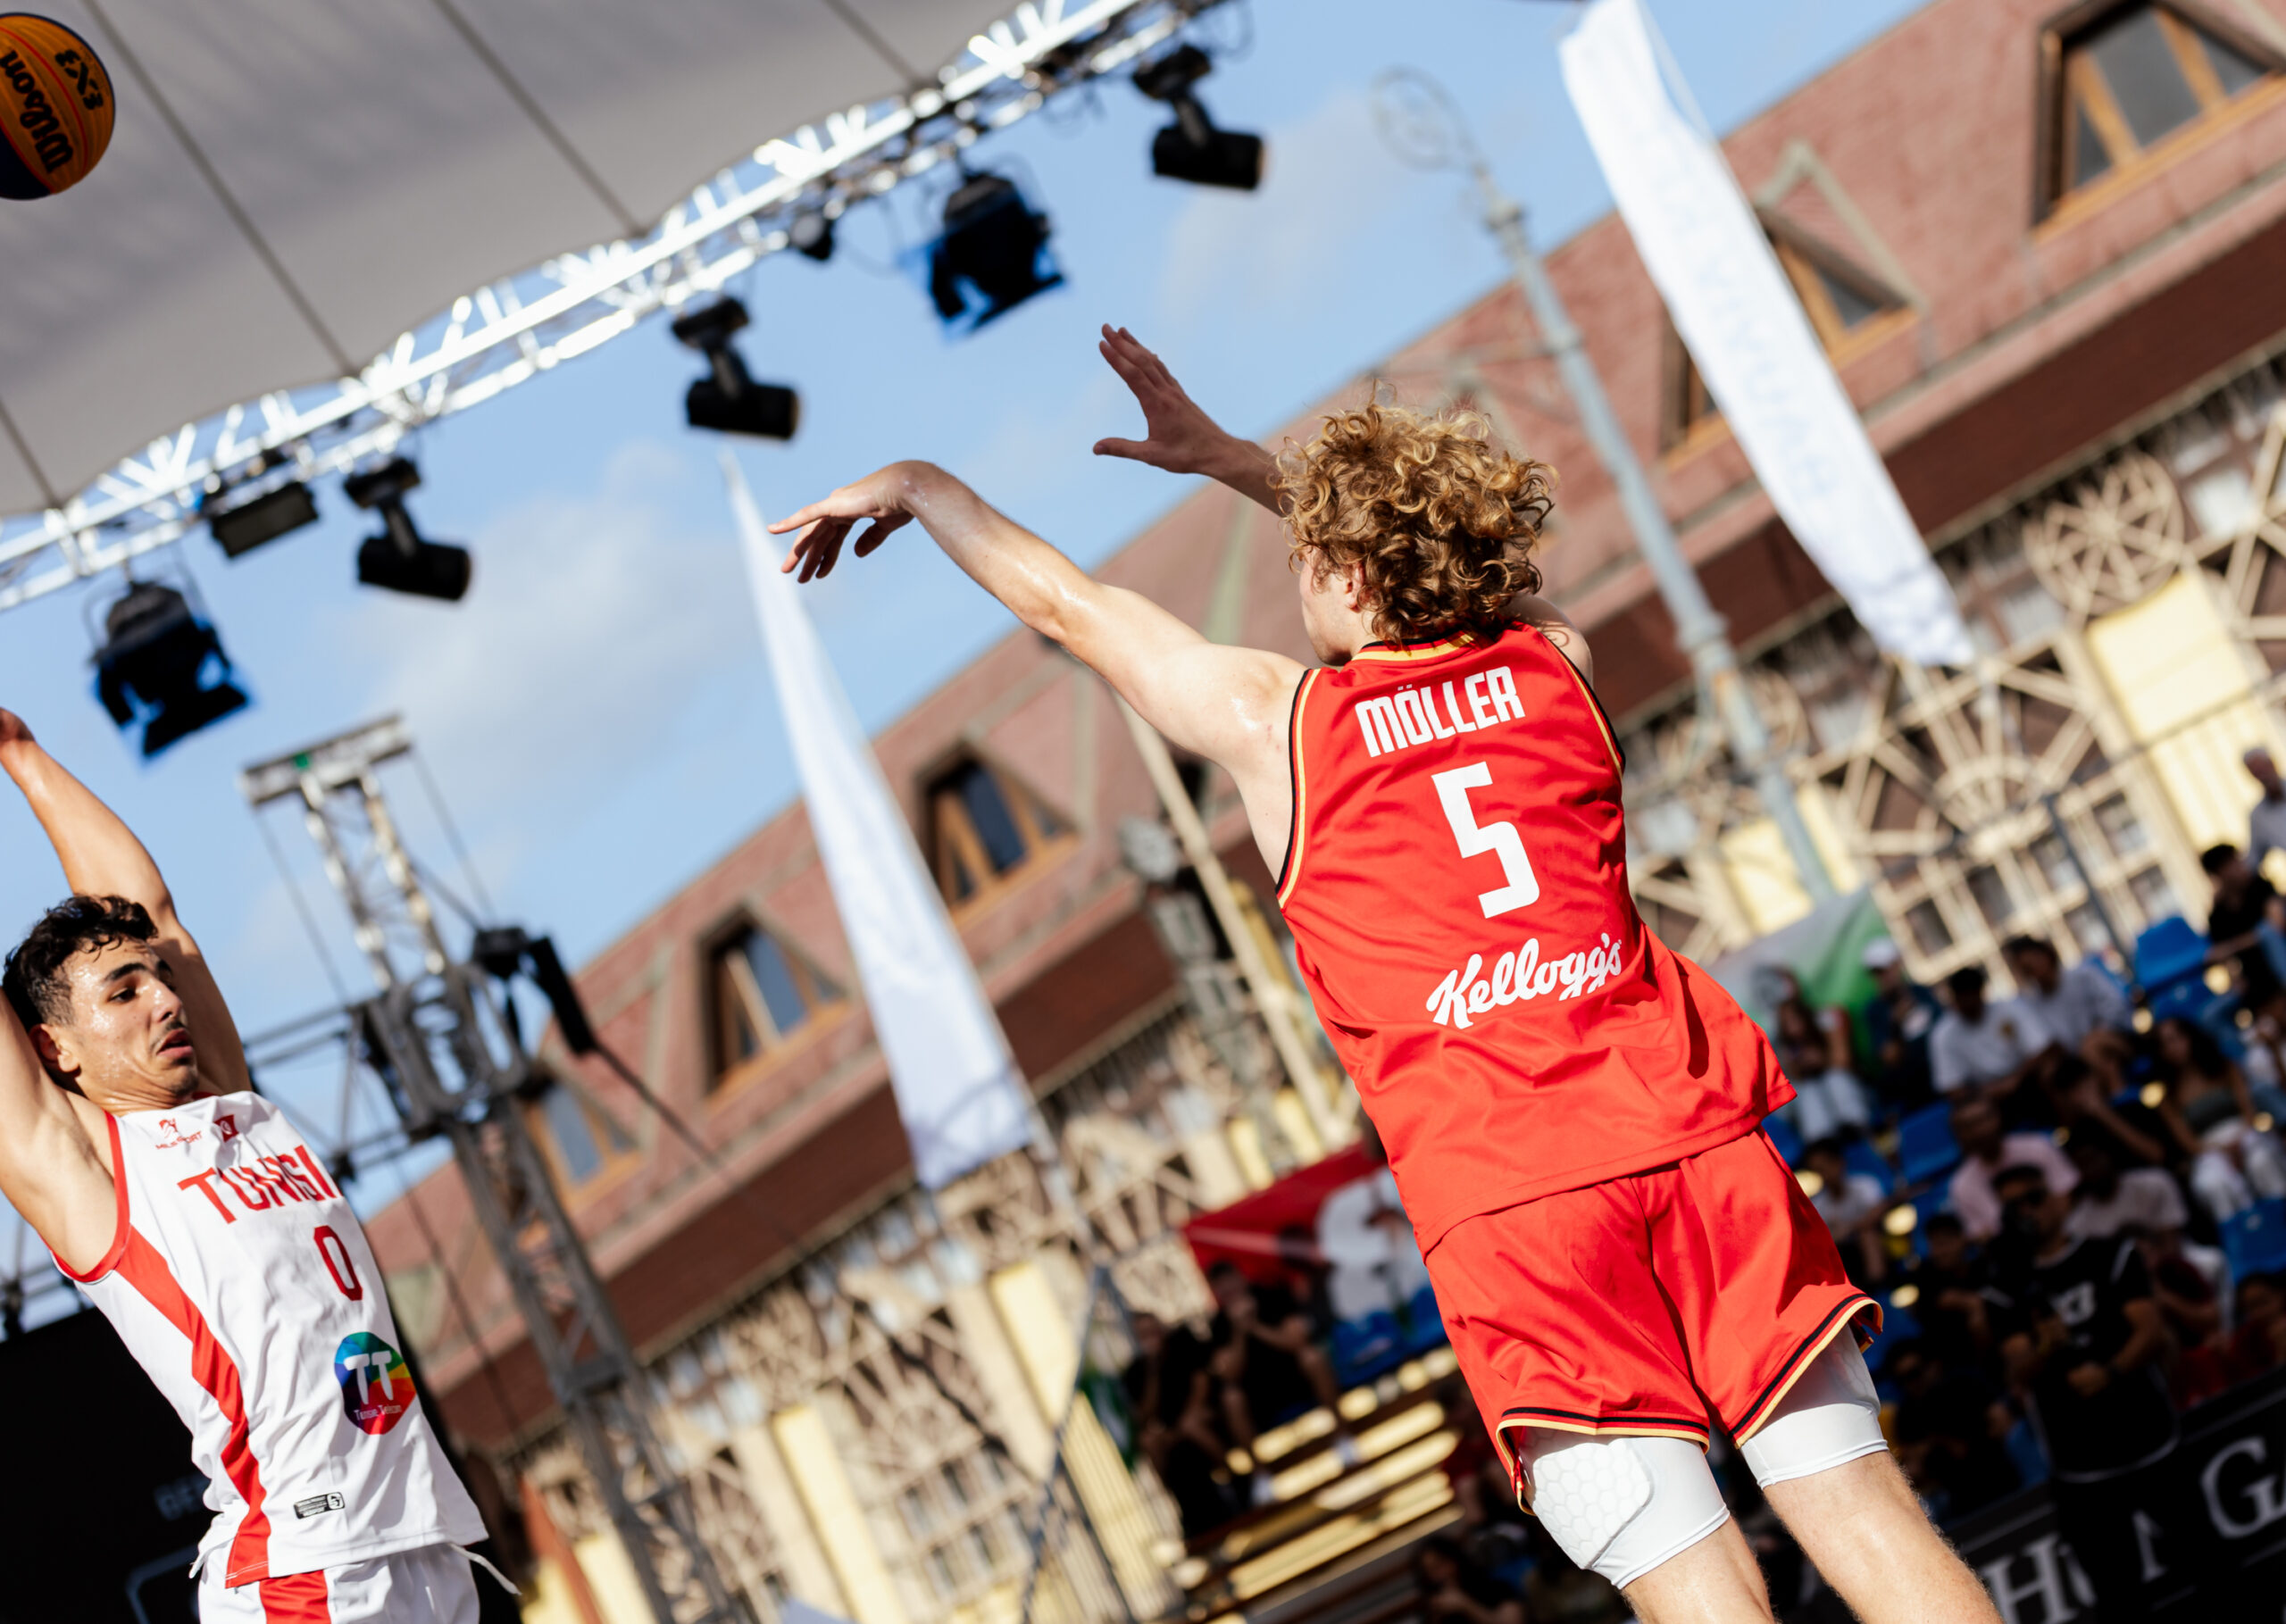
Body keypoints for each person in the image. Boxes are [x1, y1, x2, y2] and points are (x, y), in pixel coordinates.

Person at [771, 327, 1999, 1622]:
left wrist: (918, 483)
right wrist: (1248, 466)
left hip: (1515, 1200)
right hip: (1692, 1138)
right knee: (1865, 1513)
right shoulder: (1556, 664)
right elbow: (1437, 563)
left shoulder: (1280, 723)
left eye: (1309, 556)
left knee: (1703, 1590)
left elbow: (1068, 605)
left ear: (1348, 570)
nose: (1297, 573)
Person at [0, 712, 488, 1620]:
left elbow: (151, 912)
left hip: (422, 1545)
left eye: (159, 978)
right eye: (124, 991)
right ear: (55, 1048)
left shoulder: (232, 1104)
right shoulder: (89, 1169)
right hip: (302, 1569)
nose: (164, 997)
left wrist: (19, 753)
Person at [1990, 1165, 2182, 1622]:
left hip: (2149, 1437)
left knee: (2206, 1559)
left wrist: (2110, 1371)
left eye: (2035, 1198)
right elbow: (2018, 1367)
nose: (2027, 1211)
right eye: (2014, 1207)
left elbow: (2151, 1330)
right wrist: (2045, 1347)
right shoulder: (2004, 1289)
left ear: (2059, 1199)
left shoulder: (2110, 1254)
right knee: (2119, 1598)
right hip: (2080, 1465)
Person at [1203, 1261, 1347, 1502]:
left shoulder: (1273, 1295)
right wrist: (1239, 1332)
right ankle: (1261, 1475)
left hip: (1295, 1379)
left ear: (1241, 1277)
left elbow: (1297, 1341)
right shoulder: (1218, 1324)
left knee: (1312, 1357)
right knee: (1231, 1398)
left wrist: (1255, 1326)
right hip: (1259, 1398)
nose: (1228, 1289)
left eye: (1229, 1280)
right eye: (1220, 1285)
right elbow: (1228, 1374)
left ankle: (1344, 1437)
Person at [2150, 1013, 2286, 1220]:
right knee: (2214, 1184)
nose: (2173, 1048)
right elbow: (2188, 1142)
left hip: (2244, 1134)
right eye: (2165, 1044)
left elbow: (2249, 1112)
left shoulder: (2226, 1068)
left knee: (2262, 1161)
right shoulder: (2167, 1098)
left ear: (2190, 1037)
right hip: (2208, 1150)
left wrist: (2240, 1139)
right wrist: (2221, 1150)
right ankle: (2240, 1232)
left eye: (2176, 1039)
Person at [1120, 1312, 1238, 1539]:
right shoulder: (1137, 1371)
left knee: (1192, 1425)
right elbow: (1144, 1416)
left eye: (1152, 1330)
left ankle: (1233, 1478)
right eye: (1144, 1334)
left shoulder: (1183, 1344)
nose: (1151, 1337)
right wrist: (1153, 1370)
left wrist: (1185, 1420)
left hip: (1201, 1416)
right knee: (1149, 1441)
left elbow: (1202, 1383)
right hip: (1171, 1432)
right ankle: (1177, 1500)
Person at [1883, 1339, 2020, 1522]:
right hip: (1951, 1494)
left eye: (1914, 1374)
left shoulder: (1964, 1384)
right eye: (1903, 1380)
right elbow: (1912, 1470)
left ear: (1933, 1365)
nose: (1912, 1384)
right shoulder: (1907, 1414)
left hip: (1997, 1467)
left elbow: (2004, 1422)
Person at [2001, 935, 2133, 1094]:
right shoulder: (2032, 1003)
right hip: (2077, 1061)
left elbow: (2117, 1008)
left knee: (2093, 1049)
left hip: (2117, 1039)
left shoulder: (2083, 975)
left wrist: (2098, 1034)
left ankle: (2119, 1094)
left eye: (2033, 963)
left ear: (2046, 955)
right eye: (2027, 970)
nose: (2035, 972)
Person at [1929, 965, 2062, 1119]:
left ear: (1981, 991)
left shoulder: (2009, 1007)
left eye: (1971, 994)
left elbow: (2045, 1047)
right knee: (1969, 1112)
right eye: (1963, 996)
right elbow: (1951, 1087)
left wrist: (2015, 1079)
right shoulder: (1943, 1034)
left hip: (2028, 1080)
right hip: (1985, 1096)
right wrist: (1989, 1091)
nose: (1968, 1001)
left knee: (2051, 1071)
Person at [1946, 1095, 2076, 1244]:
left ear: (1998, 1117)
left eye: (1982, 1120)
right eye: (1969, 1126)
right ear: (1958, 1134)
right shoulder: (1961, 1185)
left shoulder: (2037, 1147)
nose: (1979, 1131)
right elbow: (1982, 1236)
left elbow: (2066, 1195)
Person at [1766, 969, 1871, 1142]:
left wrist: (1822, 1060)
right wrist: (1800, 1066)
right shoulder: (1780, 1043)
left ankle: (1857, 1131)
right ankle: (1824, 1145)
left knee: (1836, 1080)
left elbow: (1842, 1060)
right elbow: (1790, 1084)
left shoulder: (1825, 1019)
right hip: (1814, 1103)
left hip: (1846, 1088)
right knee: (1808, 1094)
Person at [2062, 1128, 2189, 1243]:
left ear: (2108, 1153)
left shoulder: (2155, 1183)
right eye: (2082, 1165)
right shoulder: (2078, 1224)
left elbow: (2173, 1243)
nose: (2091, 1170)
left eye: (2092, 1159)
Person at [2202, 843, 2285, 1016]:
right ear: (2220, 872)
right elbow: (2219, 955)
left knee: (2267, 933)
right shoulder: (2217, 915)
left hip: (2279, 961)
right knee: (2211, 1016)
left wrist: (2233, 946)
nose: (2242, 865)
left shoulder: (2260, 887)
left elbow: (2276, 924)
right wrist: (2235, 979)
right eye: (2234, 863)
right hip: (2254, 977)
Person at [1859, 938, 1940, 1112]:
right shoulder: (1875, 1011)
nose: (1883, 977)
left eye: (1885, 969)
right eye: (1877, 973)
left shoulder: (1923, 993)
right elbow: (1890, 1058)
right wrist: (1895, 1024)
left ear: (1898, 964)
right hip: (1912, 1089)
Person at [1802, 1138, 1890, 1287]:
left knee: (1868, 1235)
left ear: (1839, 1162)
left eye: (1825, 1167)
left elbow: (1877, 1213)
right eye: (1818, 1171)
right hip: (1845, 1255)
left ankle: (1878, 1286)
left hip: (1881, 1245)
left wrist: (1848, 1228)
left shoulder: (1865, 1184)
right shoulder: (1818, 1205)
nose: (1825, 1175)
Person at [1414, 1533, 1526, 1624]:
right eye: (1431, 1571)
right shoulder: (1435, 1613)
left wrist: (1466, 1605)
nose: (1440, 1575)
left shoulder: (1496, 1589)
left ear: (1455, 1559)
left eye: (1441, 1565)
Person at [2245, 746, 2286, 878]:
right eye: (2257, 772)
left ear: (2272, 763)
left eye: (2263, 768)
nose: (2263, 776)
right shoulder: (2258, 817)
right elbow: (2253, 860)